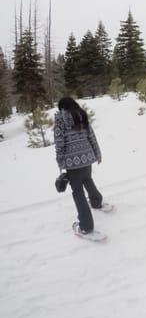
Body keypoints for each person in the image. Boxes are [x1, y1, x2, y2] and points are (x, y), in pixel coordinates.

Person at [54, 97, 104, 235]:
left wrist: (60, 162)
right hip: (87, 157)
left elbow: (59, 144)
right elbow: (91, 136)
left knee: (77, 192)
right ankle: (96, 202)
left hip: (72, 162)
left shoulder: (59, 120)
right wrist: (97, 153)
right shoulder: (81, 115)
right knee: (87, 179)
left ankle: (86, 226)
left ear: (61, 108)